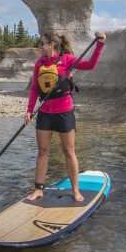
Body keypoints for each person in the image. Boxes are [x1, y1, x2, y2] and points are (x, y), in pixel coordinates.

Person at [24, 30, 106, 202]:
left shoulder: (67, 60)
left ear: (51, 45)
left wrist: (100, 44)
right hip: (45, 112)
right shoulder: (40, 63)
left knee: (69, 151)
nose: (40, 46)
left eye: (42, 43)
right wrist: (30, 110)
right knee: (43, 151)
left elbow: (90, 65)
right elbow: (34, 88)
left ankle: (75, 190)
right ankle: (39, 189)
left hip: (64, 111)